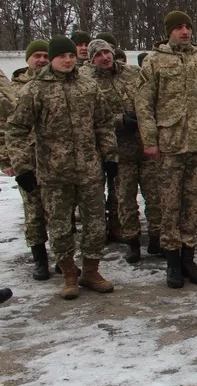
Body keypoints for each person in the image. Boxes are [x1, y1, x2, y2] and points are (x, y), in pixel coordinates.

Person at [7, 36, 118, 300]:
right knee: (59, 226)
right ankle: (69, 274)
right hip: (54, 172)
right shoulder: (36, 90)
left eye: (71, 56)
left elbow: (103, 123)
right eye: (62, 57)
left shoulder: (88, 86)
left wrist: (110, 156)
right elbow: (17, 129)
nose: (68, 60)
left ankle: (91, 271)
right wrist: (23, 167)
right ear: (52, 59)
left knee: (95, 223)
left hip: (89, 169)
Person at [135, 11, 197, 288]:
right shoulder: (154, 61)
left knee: (196, 204)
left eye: (188, 27)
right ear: (169, 31)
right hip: (170, 144)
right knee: (170, 205)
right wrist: (150, 140)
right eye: (179, 28)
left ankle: (188, 257)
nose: (185, 31)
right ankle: (172, 262)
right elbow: (144, 104)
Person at [87, 38, 144, 262]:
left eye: (107, 52)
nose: (105, 57)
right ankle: (133, 241)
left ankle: (157, 237)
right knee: (125, 199)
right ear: (92, 60)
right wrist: (120, 120)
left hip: (144, 144)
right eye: (98, 55)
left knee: (156, 195)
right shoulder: (88, 82)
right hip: (118, 150)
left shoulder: (133, 73)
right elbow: (92, 117)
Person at [1, 41, 52, 280]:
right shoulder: (13, 88)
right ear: (28, 59)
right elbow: (4, 126)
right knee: (34, 213)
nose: (41, 60)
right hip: (27, 161)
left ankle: (64, 258)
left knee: (60, 212)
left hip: (55, 160)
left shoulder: (56, 83)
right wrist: (7, 160)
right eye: (37, 56)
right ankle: (40, 260)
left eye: (45, 55)